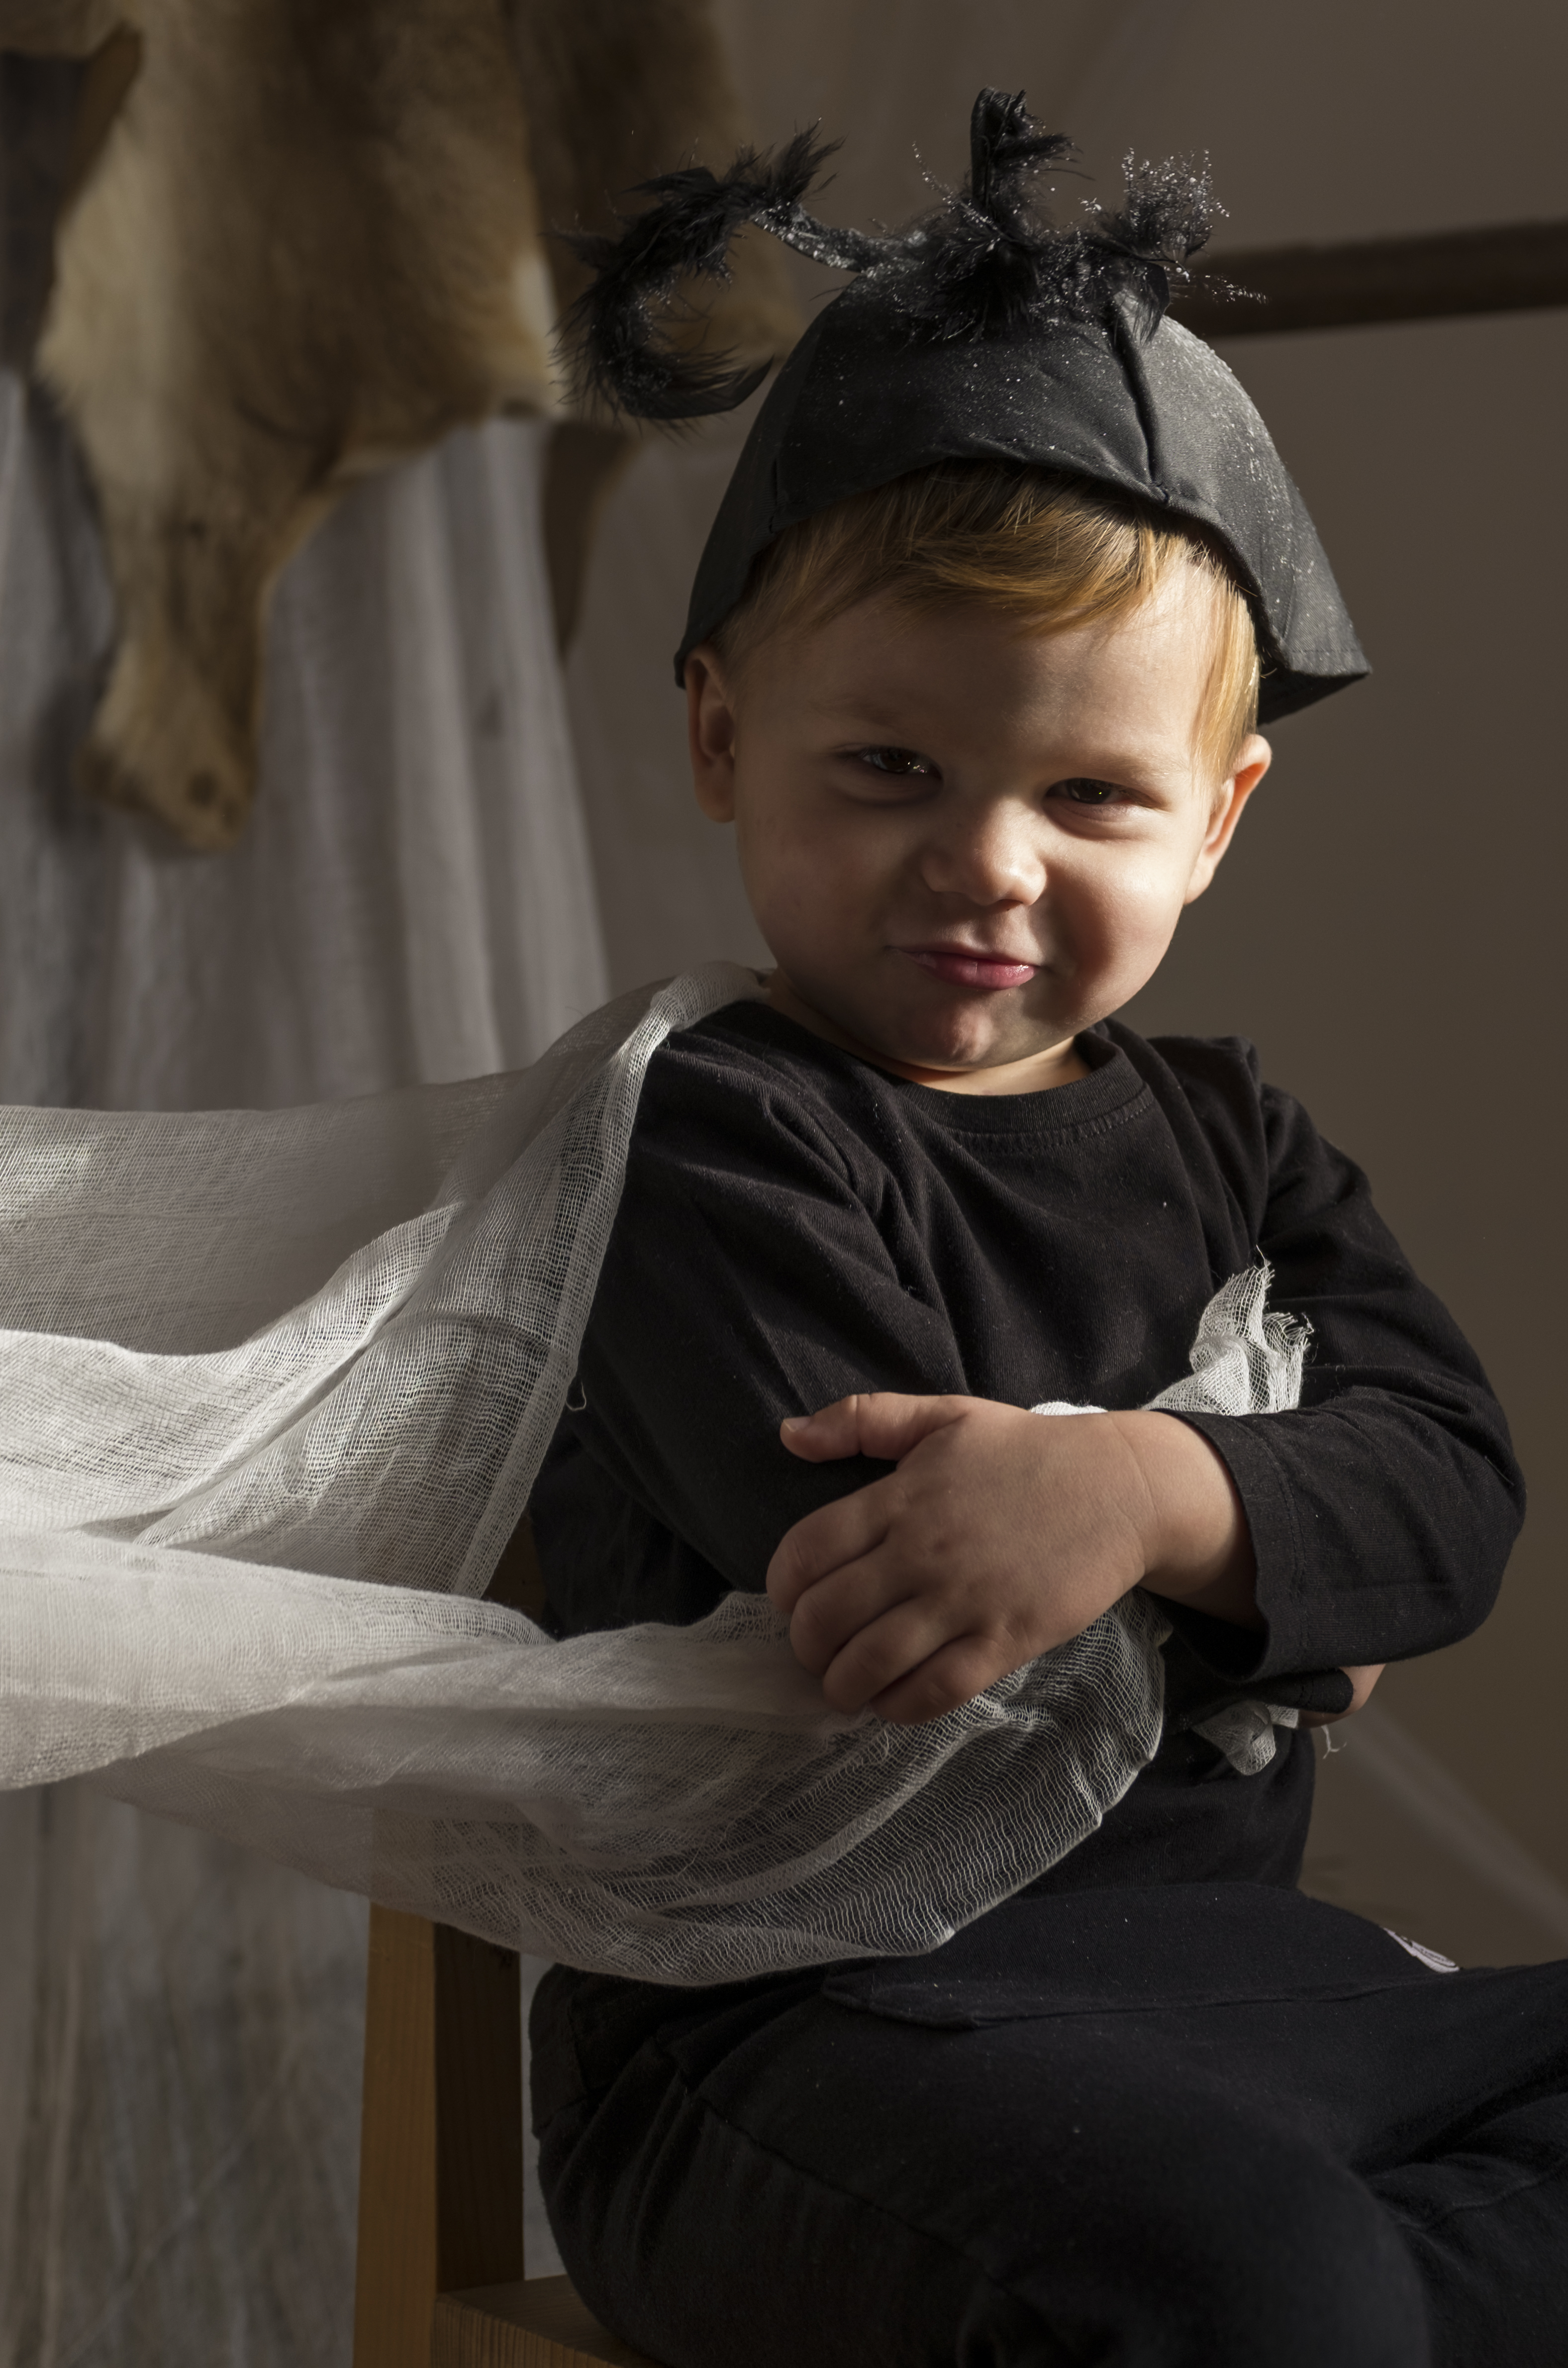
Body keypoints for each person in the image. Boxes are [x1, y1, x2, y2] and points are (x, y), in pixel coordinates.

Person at [522, 95, 1568, 2367]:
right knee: (1243, 2285)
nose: (992, 862)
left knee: (1345, 2266)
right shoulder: (708, 1128)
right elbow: (904, 1609)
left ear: (1220, 819)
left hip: (1255, 2003)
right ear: (722, 735)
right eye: (889, 766)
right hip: (827, 2037)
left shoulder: (1236, 1137)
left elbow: (1463, 1494)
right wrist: (1293, 1586)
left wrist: (1146, 1490)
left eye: (1091, 792)